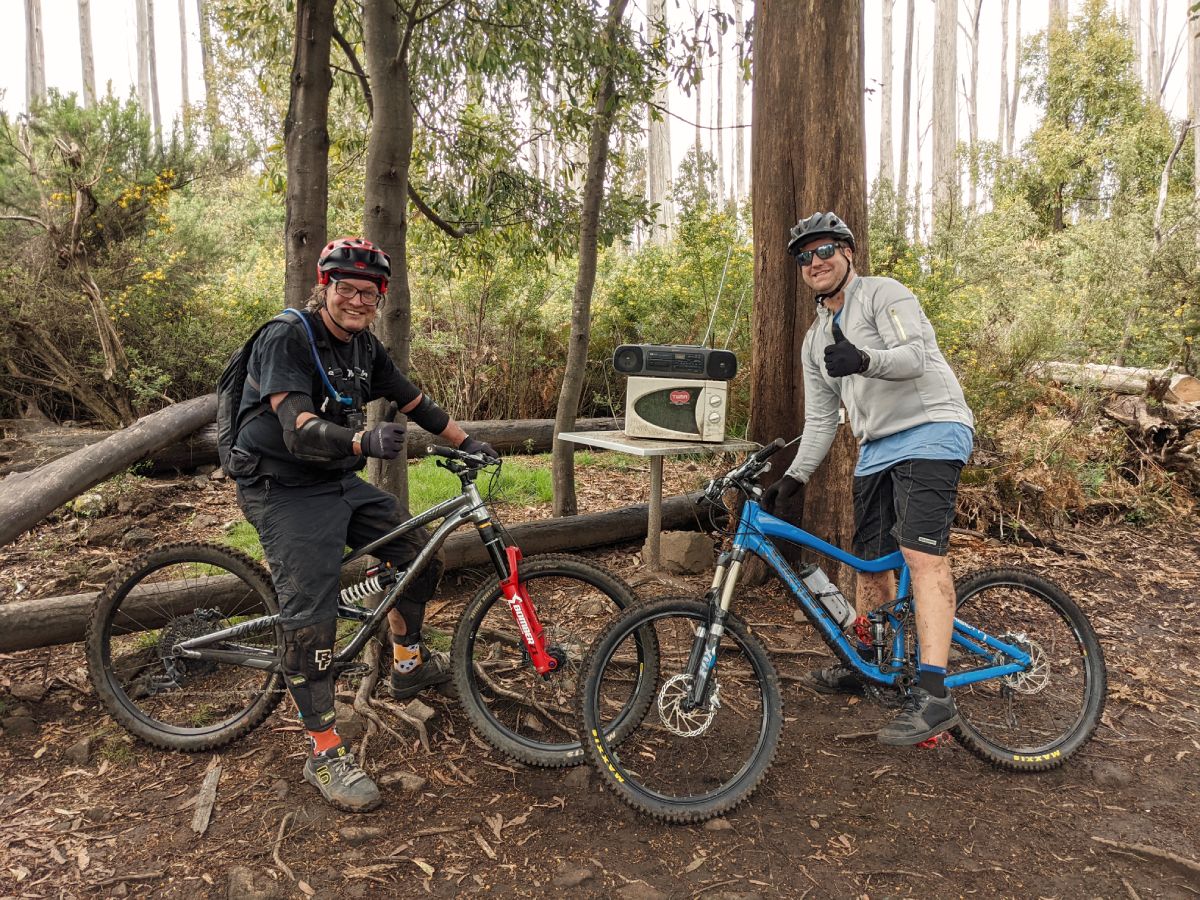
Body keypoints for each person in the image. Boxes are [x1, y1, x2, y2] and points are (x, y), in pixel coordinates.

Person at [230, 237, 498, 811]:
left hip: (334, 479)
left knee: (419, 556)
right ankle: (324, 751)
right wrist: (359, 439)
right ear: (324, 287)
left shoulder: (365, 348)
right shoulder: (287, 336)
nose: (356, 300)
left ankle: (406, 664)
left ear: (379, 300)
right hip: (281, 486)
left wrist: (468, 441)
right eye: (345, 289)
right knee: (312, 617)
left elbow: (414, 402)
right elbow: (296, 425)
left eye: (368, 293)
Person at [761, 212, 974, 747]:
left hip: (932, 428)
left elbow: (914, 357)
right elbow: (818, 421)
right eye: (805, 256)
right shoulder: (814, 342)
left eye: (825, 249)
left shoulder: (885, 294)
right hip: (875, 448)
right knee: (870, 565)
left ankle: (933, 695)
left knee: (921, 556)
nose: (816, 261)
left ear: (848, 252)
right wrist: (796, 478)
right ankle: (872, 662)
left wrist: (863, 358)